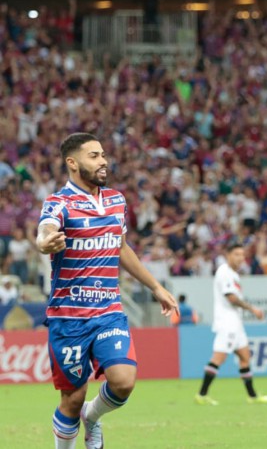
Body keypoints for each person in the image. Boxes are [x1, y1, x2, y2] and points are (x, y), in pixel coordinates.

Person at [36, 133, 178, 449]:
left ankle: (93, 418)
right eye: (94, 156)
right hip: (68, 318)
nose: (103, 161)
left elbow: (121, 248)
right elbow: (45, 231)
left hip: (108, 312)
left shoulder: (115, 199)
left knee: (124, 382)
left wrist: (156, 286)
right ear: (72, 163)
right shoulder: (59, 203)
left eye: (103, 154)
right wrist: (45, 242)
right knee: (72, 399)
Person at [195, 243, 267, 405]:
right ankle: (201, 395)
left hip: (235, 323)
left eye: (242, 254)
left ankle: (252, 396)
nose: (240, 258)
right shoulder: (225, 273)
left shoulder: (233, 274)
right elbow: (231, 298)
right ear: (228, 255)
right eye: (236, 254)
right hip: (227, 323)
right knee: (218, 358)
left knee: (245, 357)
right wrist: (253, 309)